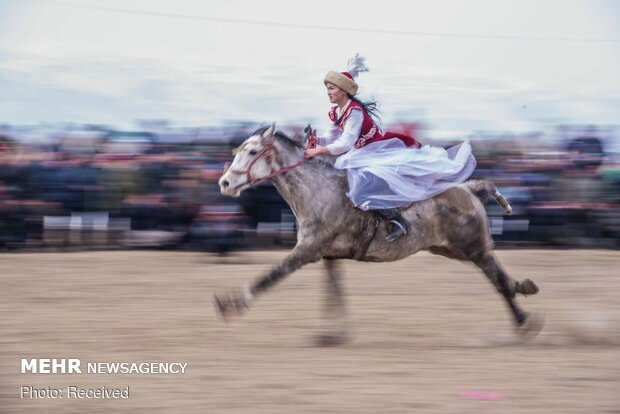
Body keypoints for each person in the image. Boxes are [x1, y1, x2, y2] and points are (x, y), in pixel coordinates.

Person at [305, 55, 477, 242]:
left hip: (375, 151)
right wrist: (317, 140)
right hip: (362, 153)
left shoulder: (354, 111)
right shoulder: (339, 111)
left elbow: (345, 143)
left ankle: (398, 220)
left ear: (343, 91)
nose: (328, 93)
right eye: (327, 89)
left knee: (359, 189)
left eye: (331, 89)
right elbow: (331, 137)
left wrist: (319, 151)